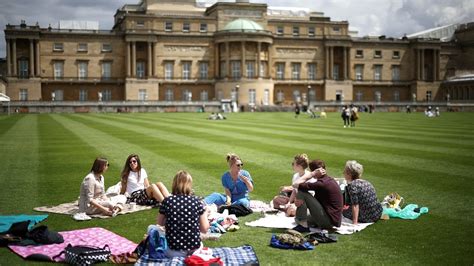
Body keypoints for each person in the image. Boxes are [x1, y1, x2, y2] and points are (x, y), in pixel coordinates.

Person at [157, 170, 210, 257]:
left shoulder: (167, 201)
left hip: (173, 250)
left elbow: (159, 224)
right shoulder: (196, 201)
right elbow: (204, 229)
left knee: (151, 228)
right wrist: (205, 214)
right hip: (194, 249)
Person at [292, 159, 343, 232]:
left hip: (328, 221)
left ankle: (303, 226)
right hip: (331, 219)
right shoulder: (329, 180)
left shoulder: (321, 183)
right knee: (297, 219)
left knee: (302, 192)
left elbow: (295, 184)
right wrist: (300, 201)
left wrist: (312, 174)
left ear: (316, 172)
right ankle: (302, 222)